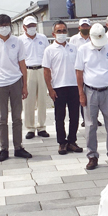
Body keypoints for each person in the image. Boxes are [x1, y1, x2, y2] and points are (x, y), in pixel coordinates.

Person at [0, 14, 33, 162]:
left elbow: (22, 63)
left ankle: (18, 147)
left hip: (16, 81)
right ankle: (4, 148)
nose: (5, 28)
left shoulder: (17, 41)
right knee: (2, 118)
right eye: (1, 26)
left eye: (7, 25)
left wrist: (24, 85)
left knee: (17, 117)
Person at [76, 23, 108, 170]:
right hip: (90, 91)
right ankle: (92, 156)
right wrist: (81, 94)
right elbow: (79, 72)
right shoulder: (83, 49)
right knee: (90, 125)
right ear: (90, 37)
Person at [43, 20, 84, 155]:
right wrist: (50, 89)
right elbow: (47, 71)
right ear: (53, 34)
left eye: (63, 31)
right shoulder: (49, 50)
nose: (61, 33)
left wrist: (80, 88)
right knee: (59, 117)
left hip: (73, 86)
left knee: (75, 116)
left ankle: (72, 141)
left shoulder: (73, 48)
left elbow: (79, 69)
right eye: (58, 31)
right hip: (58, 87)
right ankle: (62, 142)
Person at [19, 16, 50, 140]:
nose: (31, 28)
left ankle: (42, 127)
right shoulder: (20, 40)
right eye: (29, 26)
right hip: (28, 71)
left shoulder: (42, 38)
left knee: (42, 100)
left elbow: (48, 55)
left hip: (42, 69)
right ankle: (30, 128)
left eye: (33, 25)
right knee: (28, 101)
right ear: (24, 27)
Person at [69, 18, 101, 128]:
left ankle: (94, 118)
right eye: (83, 26)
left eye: (87, 26)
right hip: (78, 70)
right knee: (81, 95)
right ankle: (84, 118)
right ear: (79, 28)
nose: (85, 28)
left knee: (91, 96)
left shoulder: (94, 39)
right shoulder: (73, 39)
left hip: (90, 71)